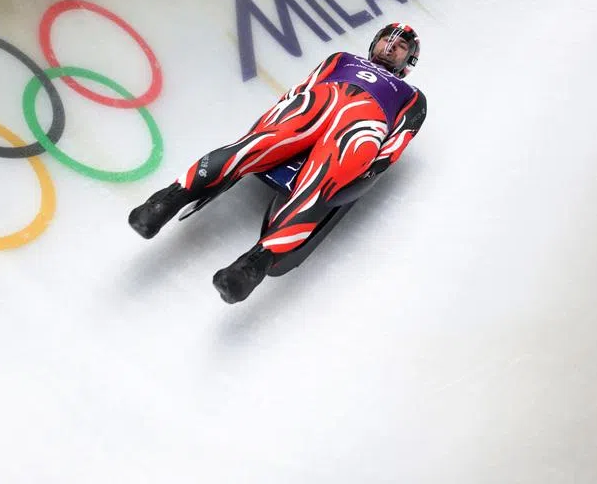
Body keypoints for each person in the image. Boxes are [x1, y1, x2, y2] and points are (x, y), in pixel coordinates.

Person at [128, 22, 429, 304]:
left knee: (320, 184)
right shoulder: (341, 59)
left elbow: (398, 139)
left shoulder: (413, 97)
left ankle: (251, 266)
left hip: (363, 124)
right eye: (385, 41)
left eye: (400, 46)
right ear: (373, 43)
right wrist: (268, 121)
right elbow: (301, 89)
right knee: (254, 146)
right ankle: (163, 203)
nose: (390, 48)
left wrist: (368, 173)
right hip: (319, 102)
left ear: (409, 60)